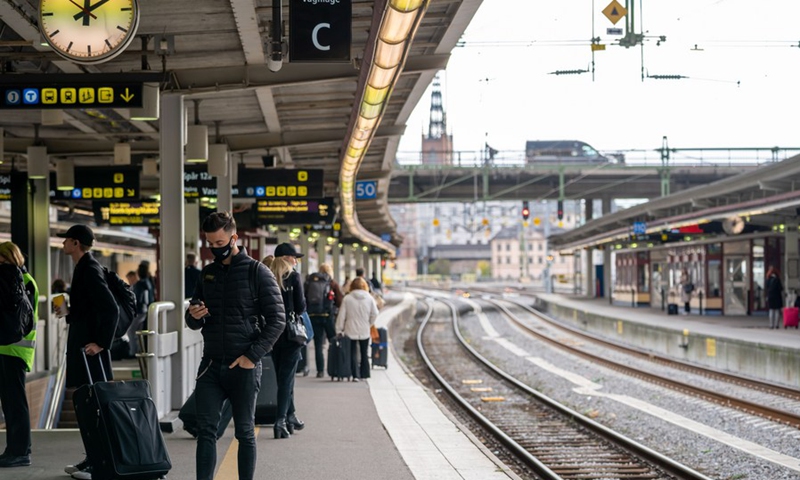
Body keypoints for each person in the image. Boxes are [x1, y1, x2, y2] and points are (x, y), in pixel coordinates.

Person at [186, 211, 285, 480]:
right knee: (205, 432)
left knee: (244, 432)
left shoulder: (257, 271)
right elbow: (194, 319)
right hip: (211, 366)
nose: (214, 249)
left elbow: (278, 320)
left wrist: (251, 357)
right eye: (210, 244)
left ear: (234, 237)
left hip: (243, 366)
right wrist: (192, 317)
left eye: (220, 243)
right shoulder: (207, 274)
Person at [57, 225, 119, 480]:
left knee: (94, 408)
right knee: (85, 405)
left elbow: (111, 309)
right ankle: (92, 458)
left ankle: (100, 464)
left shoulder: (90, 269)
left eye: (65, 241)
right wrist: (69, 313)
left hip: (91, 352)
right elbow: (90, 309)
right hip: (83, 348)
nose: (62, 245)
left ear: (75, 243)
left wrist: (102, 343)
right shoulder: (84, 267)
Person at [0, 242, 38, 468]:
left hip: (16, 349)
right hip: (7, 348)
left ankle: (21, 451)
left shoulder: (23, 282)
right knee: (11, 404)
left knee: (16, 403)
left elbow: (21, 319)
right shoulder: (19, 280)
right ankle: (15, 449)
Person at [270, 244, 307, 436]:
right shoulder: (293, 277)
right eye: (294, 257)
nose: (296, 261)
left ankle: (290, 415)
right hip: (291, 335)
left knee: (283, 378)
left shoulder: (267, 276)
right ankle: (280, 420)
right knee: (286, 379)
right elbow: (301, 306)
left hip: (272, 335)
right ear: (286, 258)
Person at [336, 277, 378, 382]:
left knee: (353, 352)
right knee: (364, 352)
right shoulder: (369, 298)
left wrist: (339, 329)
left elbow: (342, 316)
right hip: (364, 329)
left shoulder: (347, 298)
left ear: (352, 286)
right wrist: (369, 323)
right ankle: (365, 373)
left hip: (350, 329)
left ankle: (355, 375)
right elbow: (375, 313)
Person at [304, 263, 343, 378]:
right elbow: (340, 301)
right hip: (328, 316)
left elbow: (304, 298)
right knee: (333, 341)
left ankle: (320, 371)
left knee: (318, 345)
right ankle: (335, 368)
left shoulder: (310, 282)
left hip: (313, 315)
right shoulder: (332, 283)